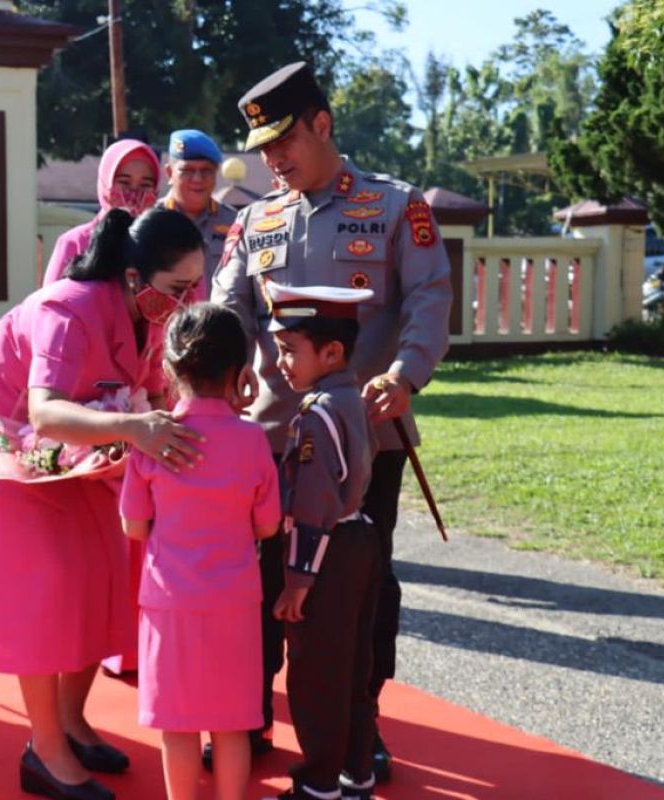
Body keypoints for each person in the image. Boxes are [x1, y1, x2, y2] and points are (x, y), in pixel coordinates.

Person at [211, 61, 452, 781]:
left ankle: (360, 724)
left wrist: (405, 374)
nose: (272, 160)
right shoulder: (256, 220)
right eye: (263, 149)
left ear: (322, 124)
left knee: (357, 591)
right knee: (254, 580)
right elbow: (228, 309)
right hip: (267, 443)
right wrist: (220, 372)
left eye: (284, 140)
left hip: (361, 443)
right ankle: (243, 712)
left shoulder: (393, 205)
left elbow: (430, 298)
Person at [0, 207, 205, 800]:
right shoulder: (70, 307)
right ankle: (45, 750)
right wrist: (137, 428)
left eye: (194, 288)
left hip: (80, 449)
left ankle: (72, 720)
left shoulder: (150, 314)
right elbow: (44, 410)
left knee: (100, 572)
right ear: (135, 277)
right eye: (178, 288)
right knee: (46, 584)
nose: (186, 302)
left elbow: (154, 387)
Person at [120, 303, 280, 800]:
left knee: (179, 723)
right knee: (233, 723)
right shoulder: (253, 441)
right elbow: (268, 524)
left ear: (168, 368)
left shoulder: (150, 440)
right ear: (240, 371)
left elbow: (134, 525)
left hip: (170, 601)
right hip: (234, 599)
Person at [264, 283, 379, 800]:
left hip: (326, 553)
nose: (280, 361)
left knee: (315, 676)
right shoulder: (351, 397)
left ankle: (317, 785)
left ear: (331, 352)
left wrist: (297, 583)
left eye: (290, 350)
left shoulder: (315, 415)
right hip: (361, 539)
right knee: (355, 664)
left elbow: (312, 506)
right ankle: (358, 772)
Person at [41, 138, 160, 285]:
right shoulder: (75, 242)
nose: (134, 194)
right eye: (124, 182)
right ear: (105, 183)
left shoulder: (163, 246)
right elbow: (51, 303)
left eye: (145, 184)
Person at [156, 130, 238, 297]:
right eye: (188, 170)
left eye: (206, 171)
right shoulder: (151, 221)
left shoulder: (234, 222)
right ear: (170, 173)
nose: (198, 179)